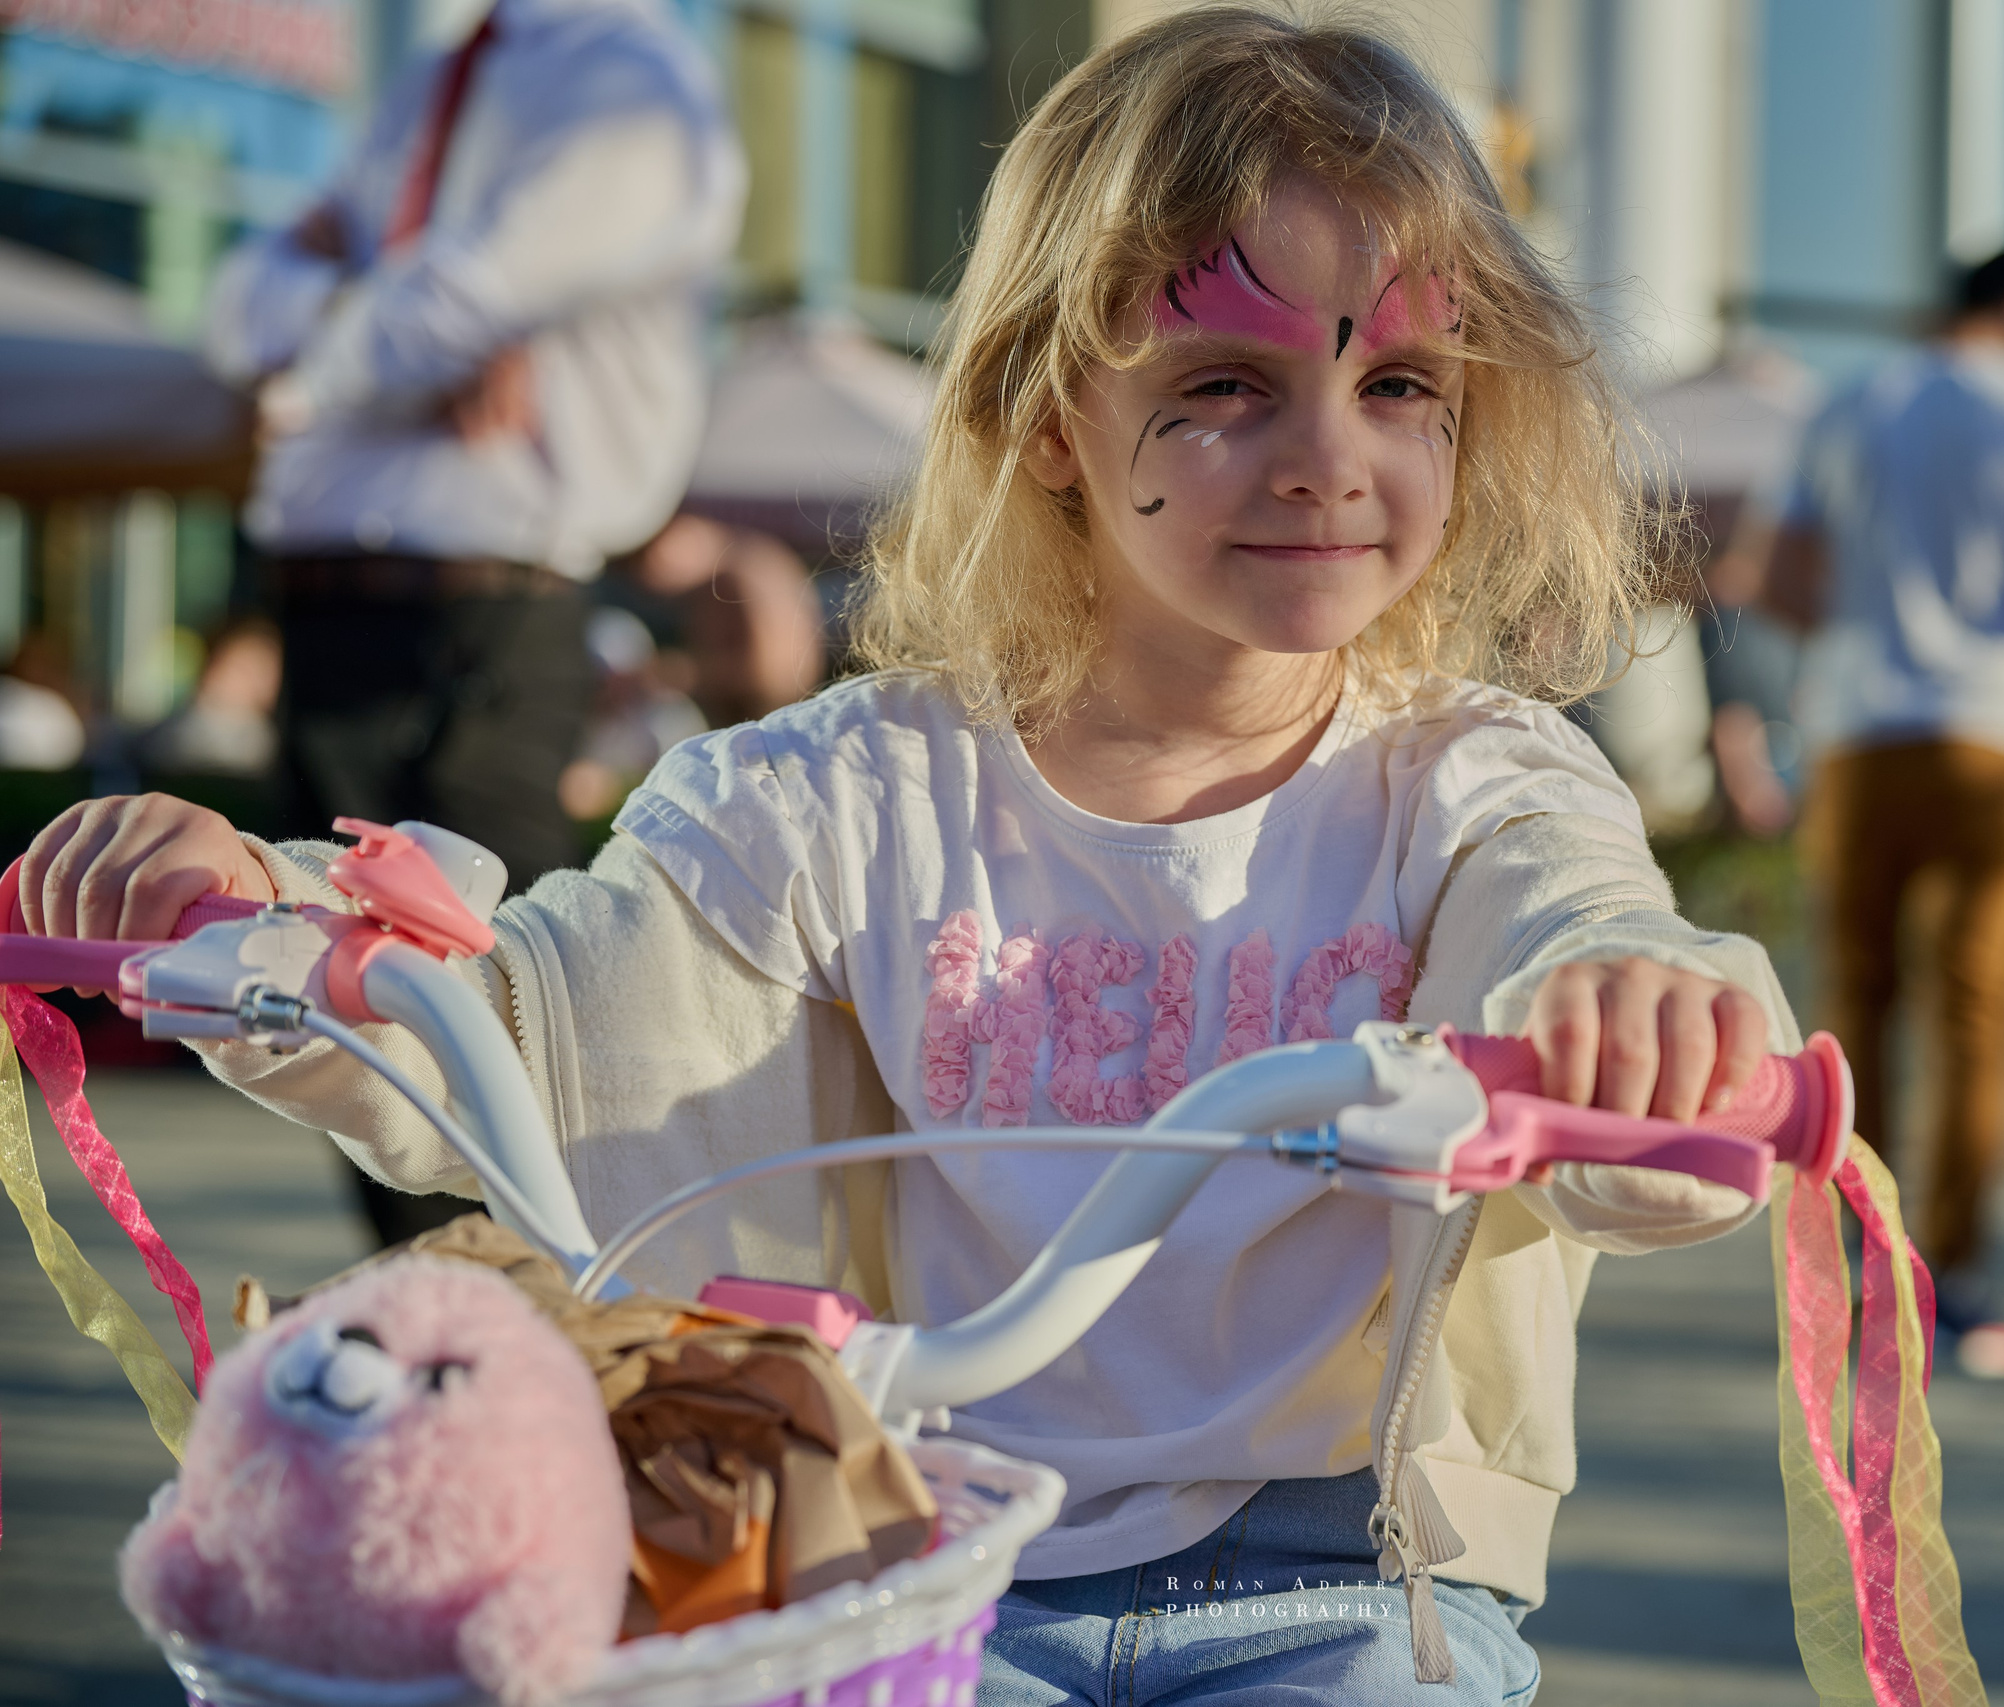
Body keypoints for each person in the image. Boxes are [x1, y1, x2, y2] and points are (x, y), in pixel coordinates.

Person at [14, 11, 1804, 1701]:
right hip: (930, 1548)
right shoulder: (843, 792)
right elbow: (545, 1028)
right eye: (1223, 387)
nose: (1329, 458)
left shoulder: (1476, 783)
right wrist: (279, 918)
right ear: (1047, 424)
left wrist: (1640, 1019)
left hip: (1344, 1570)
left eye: (1403, 379)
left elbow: (1574, 931)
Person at [200, 0, 742, 1247]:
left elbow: (443, 305)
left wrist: (325, 352)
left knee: (496, 1062)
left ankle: (537, 1389)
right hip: (336, 624)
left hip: (486, 627)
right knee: (348, 1045)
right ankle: (451, 1374)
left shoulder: (633, 83)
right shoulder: (439, 82)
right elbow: (242, 305)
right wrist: (393, 327)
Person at [1750, 245, 2004, 1378]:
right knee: (1976, 1012)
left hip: (1857, 733)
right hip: (1993, 733)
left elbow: (1773, 578)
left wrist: (1865, 632)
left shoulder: (1847, 405)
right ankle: (1958, 1281)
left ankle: (1857, 1281)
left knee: (1855, 1002)